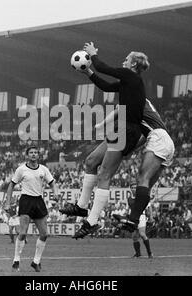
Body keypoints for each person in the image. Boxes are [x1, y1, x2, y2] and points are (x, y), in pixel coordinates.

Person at [60, 42, 149, 239]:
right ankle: (81, 207)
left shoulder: (131, 75)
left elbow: (105, 68)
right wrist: (88, 72)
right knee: (90, 162)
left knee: (104, 175)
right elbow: (107, 86)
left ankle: (91, 222)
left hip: (128, 130)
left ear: (133, 64)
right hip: (121, 129)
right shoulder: (129, 82)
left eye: (127, 59)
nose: (123, 61)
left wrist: (92, 55)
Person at [4, 146, 60, 272]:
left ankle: (36, 262)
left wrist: (55, 193)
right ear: (27, 155)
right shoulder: (21, 169)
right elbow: (11, 185)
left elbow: (52, 183)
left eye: (36, 152)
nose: (34, 154)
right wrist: (7, 203)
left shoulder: (43, 169)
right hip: (26, 200)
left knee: (44, 234)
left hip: (38, 201)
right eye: (31, 153)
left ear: (38, 155)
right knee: (23, 233)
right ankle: (16, 260)